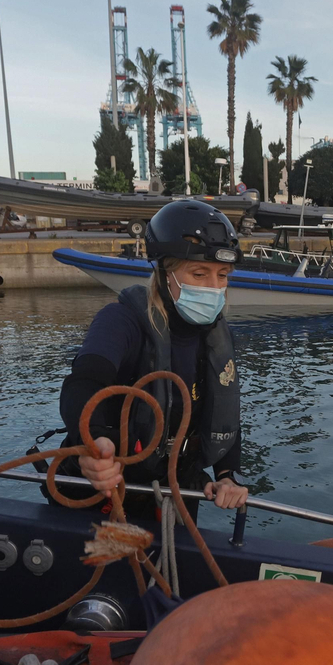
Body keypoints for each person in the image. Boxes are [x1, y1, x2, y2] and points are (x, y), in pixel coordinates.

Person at [56, 200, 249, 513]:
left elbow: (223, 409)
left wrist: (227, 476)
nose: (215, 288)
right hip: (106, 490)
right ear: (164, 272)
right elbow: (84, 382)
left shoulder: (218, 336)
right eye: (200, 274)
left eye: (223, 275)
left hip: (176, 493)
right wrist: (93, 443)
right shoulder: (122, 321)